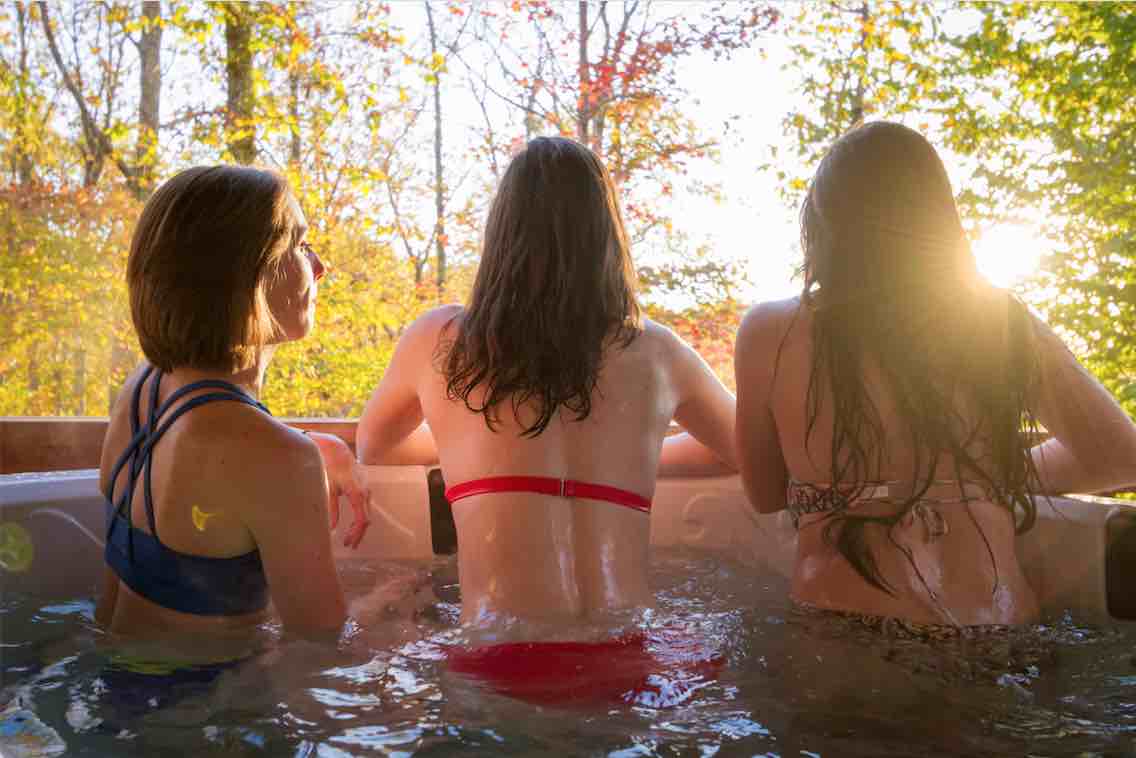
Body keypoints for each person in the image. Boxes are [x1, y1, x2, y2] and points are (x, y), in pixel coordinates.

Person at [355, 137, 736, 703]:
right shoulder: (658, 351)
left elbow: (374, 447)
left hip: (500, 658)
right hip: (637, 658)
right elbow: (747, 452)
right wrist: (637, 464)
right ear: (606, 238)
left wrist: (466, 453)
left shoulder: (438, 341)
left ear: (501, 236)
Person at [735, 121, 1136, 629]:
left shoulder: (770, 330)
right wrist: (988, 475)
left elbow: (765, 493)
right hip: (993, 625)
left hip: (846, 628)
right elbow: (1121, 453)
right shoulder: (996, 319)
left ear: (822, 221)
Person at [96, 165, 367, 642]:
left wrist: (308, 444)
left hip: (118, 688)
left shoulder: (141, 391)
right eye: (301, 247)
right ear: (248, 276)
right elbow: (323, 649)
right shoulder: (276, 458)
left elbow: (209, 471)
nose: (321, 266)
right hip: (199, 711)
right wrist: (394, 615)